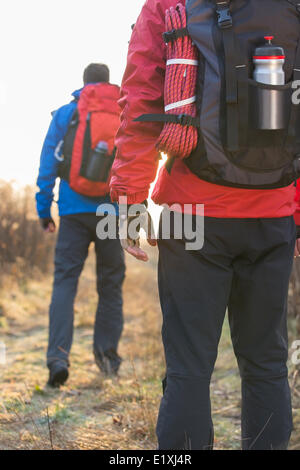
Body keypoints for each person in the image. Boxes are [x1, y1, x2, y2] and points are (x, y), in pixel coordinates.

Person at [110, 0, 300, 450]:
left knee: (189, 366)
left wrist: (131, 202)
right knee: (266, 363)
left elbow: (139, 101)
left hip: (188, 214)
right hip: (273, 211)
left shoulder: (169, 5)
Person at [36, 63, 125, 387]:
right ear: (108, 83)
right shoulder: (122, 112)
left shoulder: (66, 114)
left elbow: (48, 162)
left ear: (84, 84)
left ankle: (58, 359)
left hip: (72, 213)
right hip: (110, 213)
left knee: (65, 284)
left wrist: (44, 210)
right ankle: (108, 361)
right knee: (110, 286)